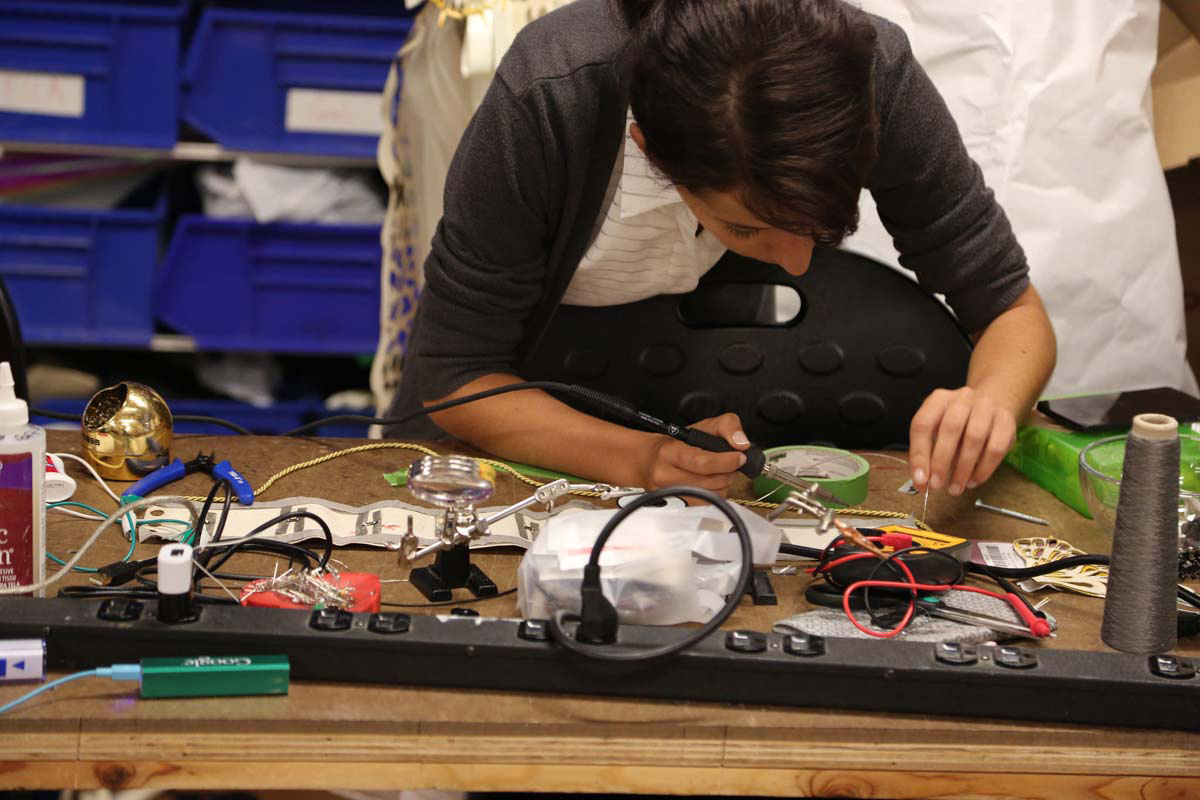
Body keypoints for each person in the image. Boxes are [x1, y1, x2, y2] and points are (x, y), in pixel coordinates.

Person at [386, 0, 1057, 500]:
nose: (797, 262)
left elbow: (1010, 308)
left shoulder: (871, 71)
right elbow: (458, 378)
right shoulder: (551, 91)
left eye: (821, 228)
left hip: (706, 400)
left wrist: (990, 401)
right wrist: (639, 459)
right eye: (746, 230)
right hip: (517, 424)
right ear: (649, 148)